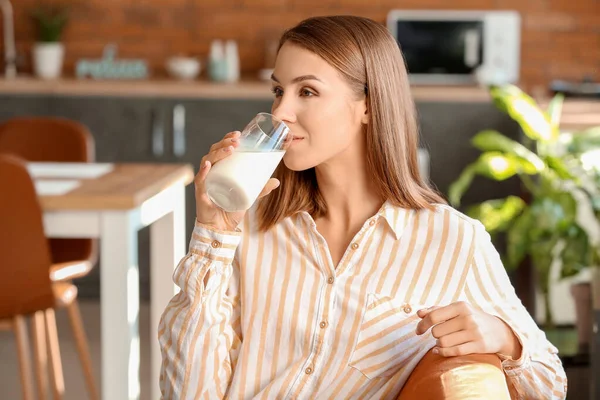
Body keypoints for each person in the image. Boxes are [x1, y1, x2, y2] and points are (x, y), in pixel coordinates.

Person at [158, 15, 567, 399]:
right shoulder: (247, 224)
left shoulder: (452, 240)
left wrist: (506, 339)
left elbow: (550, 382)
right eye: (278, 90)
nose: (280, 113)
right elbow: (189, 391)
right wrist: (212, 234)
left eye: (308, 91)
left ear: (368, 106)